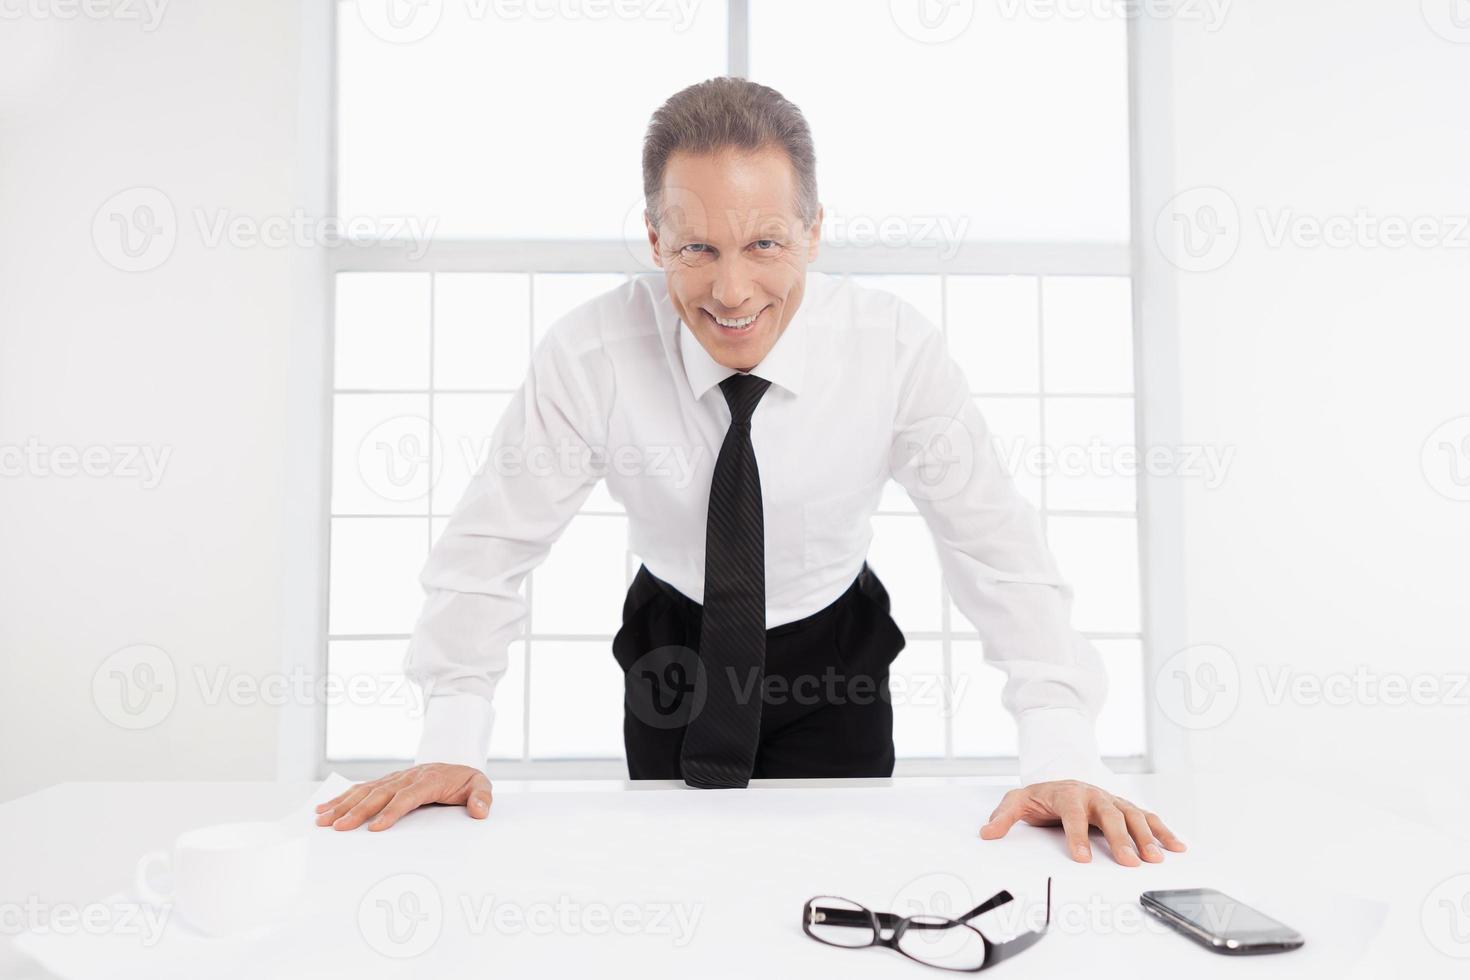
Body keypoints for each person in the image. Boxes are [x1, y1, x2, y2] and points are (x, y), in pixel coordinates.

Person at [316, 77, 1184, 867]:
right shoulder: (592, 353)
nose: (733, 292)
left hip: (834, 649)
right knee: (682, 883)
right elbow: (489, 547)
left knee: (840, 884)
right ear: (654, 239)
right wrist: (453, 739)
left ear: (815, 232)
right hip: (674, 646)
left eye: (765, 242)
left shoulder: (892, 349)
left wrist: (1062, 747)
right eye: (697, 250)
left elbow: (997, 549)